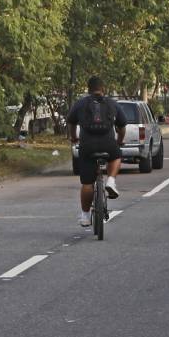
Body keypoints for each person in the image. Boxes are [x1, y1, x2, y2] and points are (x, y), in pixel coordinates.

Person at [67, 76, 127, 227]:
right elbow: (122, 126)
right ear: (103, 89)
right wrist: (119, 140)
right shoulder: (113, 104)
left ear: (88, 89)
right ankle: (111, 181)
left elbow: (71, 122)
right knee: (116, 156)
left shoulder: (80, 104)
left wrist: (74, 138)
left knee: (87, 182)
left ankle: (85, 216)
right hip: (108, 144)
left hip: (87, 146)